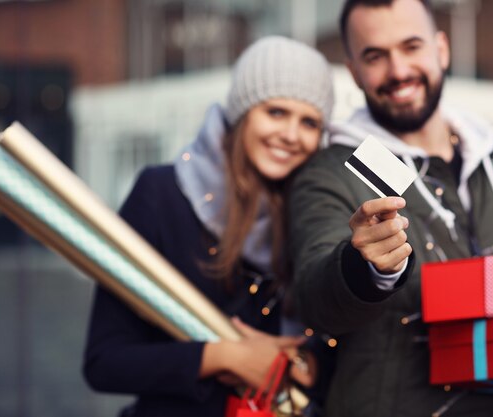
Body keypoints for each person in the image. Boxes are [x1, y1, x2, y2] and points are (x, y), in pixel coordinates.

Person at [287, 0, 493, 416]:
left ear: (442, 49)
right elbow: (315, 295)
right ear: (354, 71)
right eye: (375, 56)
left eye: (411, 47)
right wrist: (366, 269)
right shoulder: (331, 171)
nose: (398, 71)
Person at [83, 36, 334, 417]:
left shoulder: (315, 211)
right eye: (276, 112)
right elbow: (105, 360)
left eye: (309, 122)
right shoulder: (163, 194)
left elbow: (341, 345)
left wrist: (302, 363)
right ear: (242, 112)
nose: (291, 135)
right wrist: (222, 357)